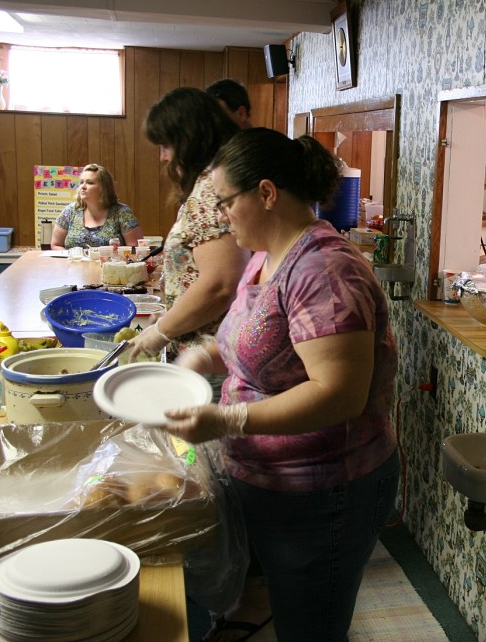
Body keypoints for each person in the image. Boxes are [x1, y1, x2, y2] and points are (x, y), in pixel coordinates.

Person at [160, 127, 400, 642]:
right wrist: (197, 360)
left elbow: (338, 393)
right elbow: (250, 340)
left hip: (326, 490)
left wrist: (228, 419)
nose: (221, 214)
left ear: (267, 193)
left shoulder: (325, 272)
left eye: (226, 201)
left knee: (311, 627)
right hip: (272, 480)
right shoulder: (266, 258)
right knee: (288, 608)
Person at [127, 87, 250, 362]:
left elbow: (220, 283)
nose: (163, 157)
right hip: (202, 352)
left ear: (190, 140)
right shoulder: (210, 184)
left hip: (209, 357)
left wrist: (162, 330)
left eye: (166, 145)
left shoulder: (210, 190)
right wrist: (173, 315)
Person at [50, 163, 143, 249]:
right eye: (81, 182)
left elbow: (135, 249)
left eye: (89, 182)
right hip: (74, 265)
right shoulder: (70, 211)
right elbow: (56, 245)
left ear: (104, 188)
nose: (83, 186)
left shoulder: (122, 213)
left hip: (109, 265)